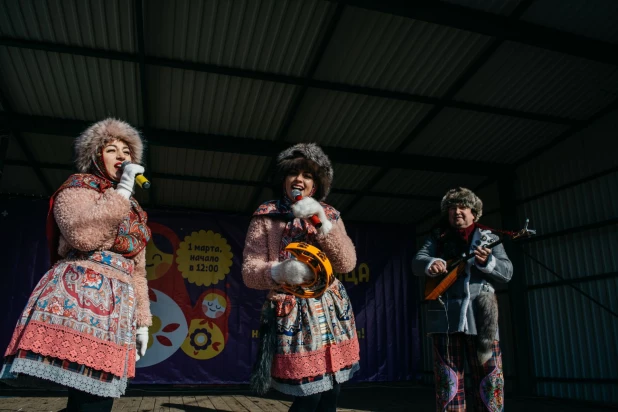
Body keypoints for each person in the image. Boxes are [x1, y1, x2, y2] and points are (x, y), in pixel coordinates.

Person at [1, 118, 152, 411]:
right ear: (95, 156)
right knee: (89, 399)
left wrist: (143, 323)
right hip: (79, 294)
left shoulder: (135, 212)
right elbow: (83, 237)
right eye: (111, 149)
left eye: (127, 151)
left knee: (99, 397)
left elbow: (138, 270)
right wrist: (122, 191)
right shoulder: (76, 189)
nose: (122, 156)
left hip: (118, 303)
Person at [242, 143, 360, 412]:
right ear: (283, 179)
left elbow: (347, 262)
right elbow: (249, 271)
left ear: (315, 185)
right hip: (294, 311)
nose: (299, 179)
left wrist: (321, 222)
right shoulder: (266, 215)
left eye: (307, 175)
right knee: (308, 395)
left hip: (331, 310)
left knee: (332, 392)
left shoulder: (329, 214)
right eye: (293, 173)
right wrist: (280, 271)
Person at [413, 187, 512, 411]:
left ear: (474, 212)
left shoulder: (490, 237)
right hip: (446, 319)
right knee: (448, 383)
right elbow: (417, 261)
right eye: (452, 208)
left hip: (482, 320)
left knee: (489, 380)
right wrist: (431, 264)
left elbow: (507, 273)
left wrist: (487, 263)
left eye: (463, 207)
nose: (457, 211)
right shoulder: (437, 237)